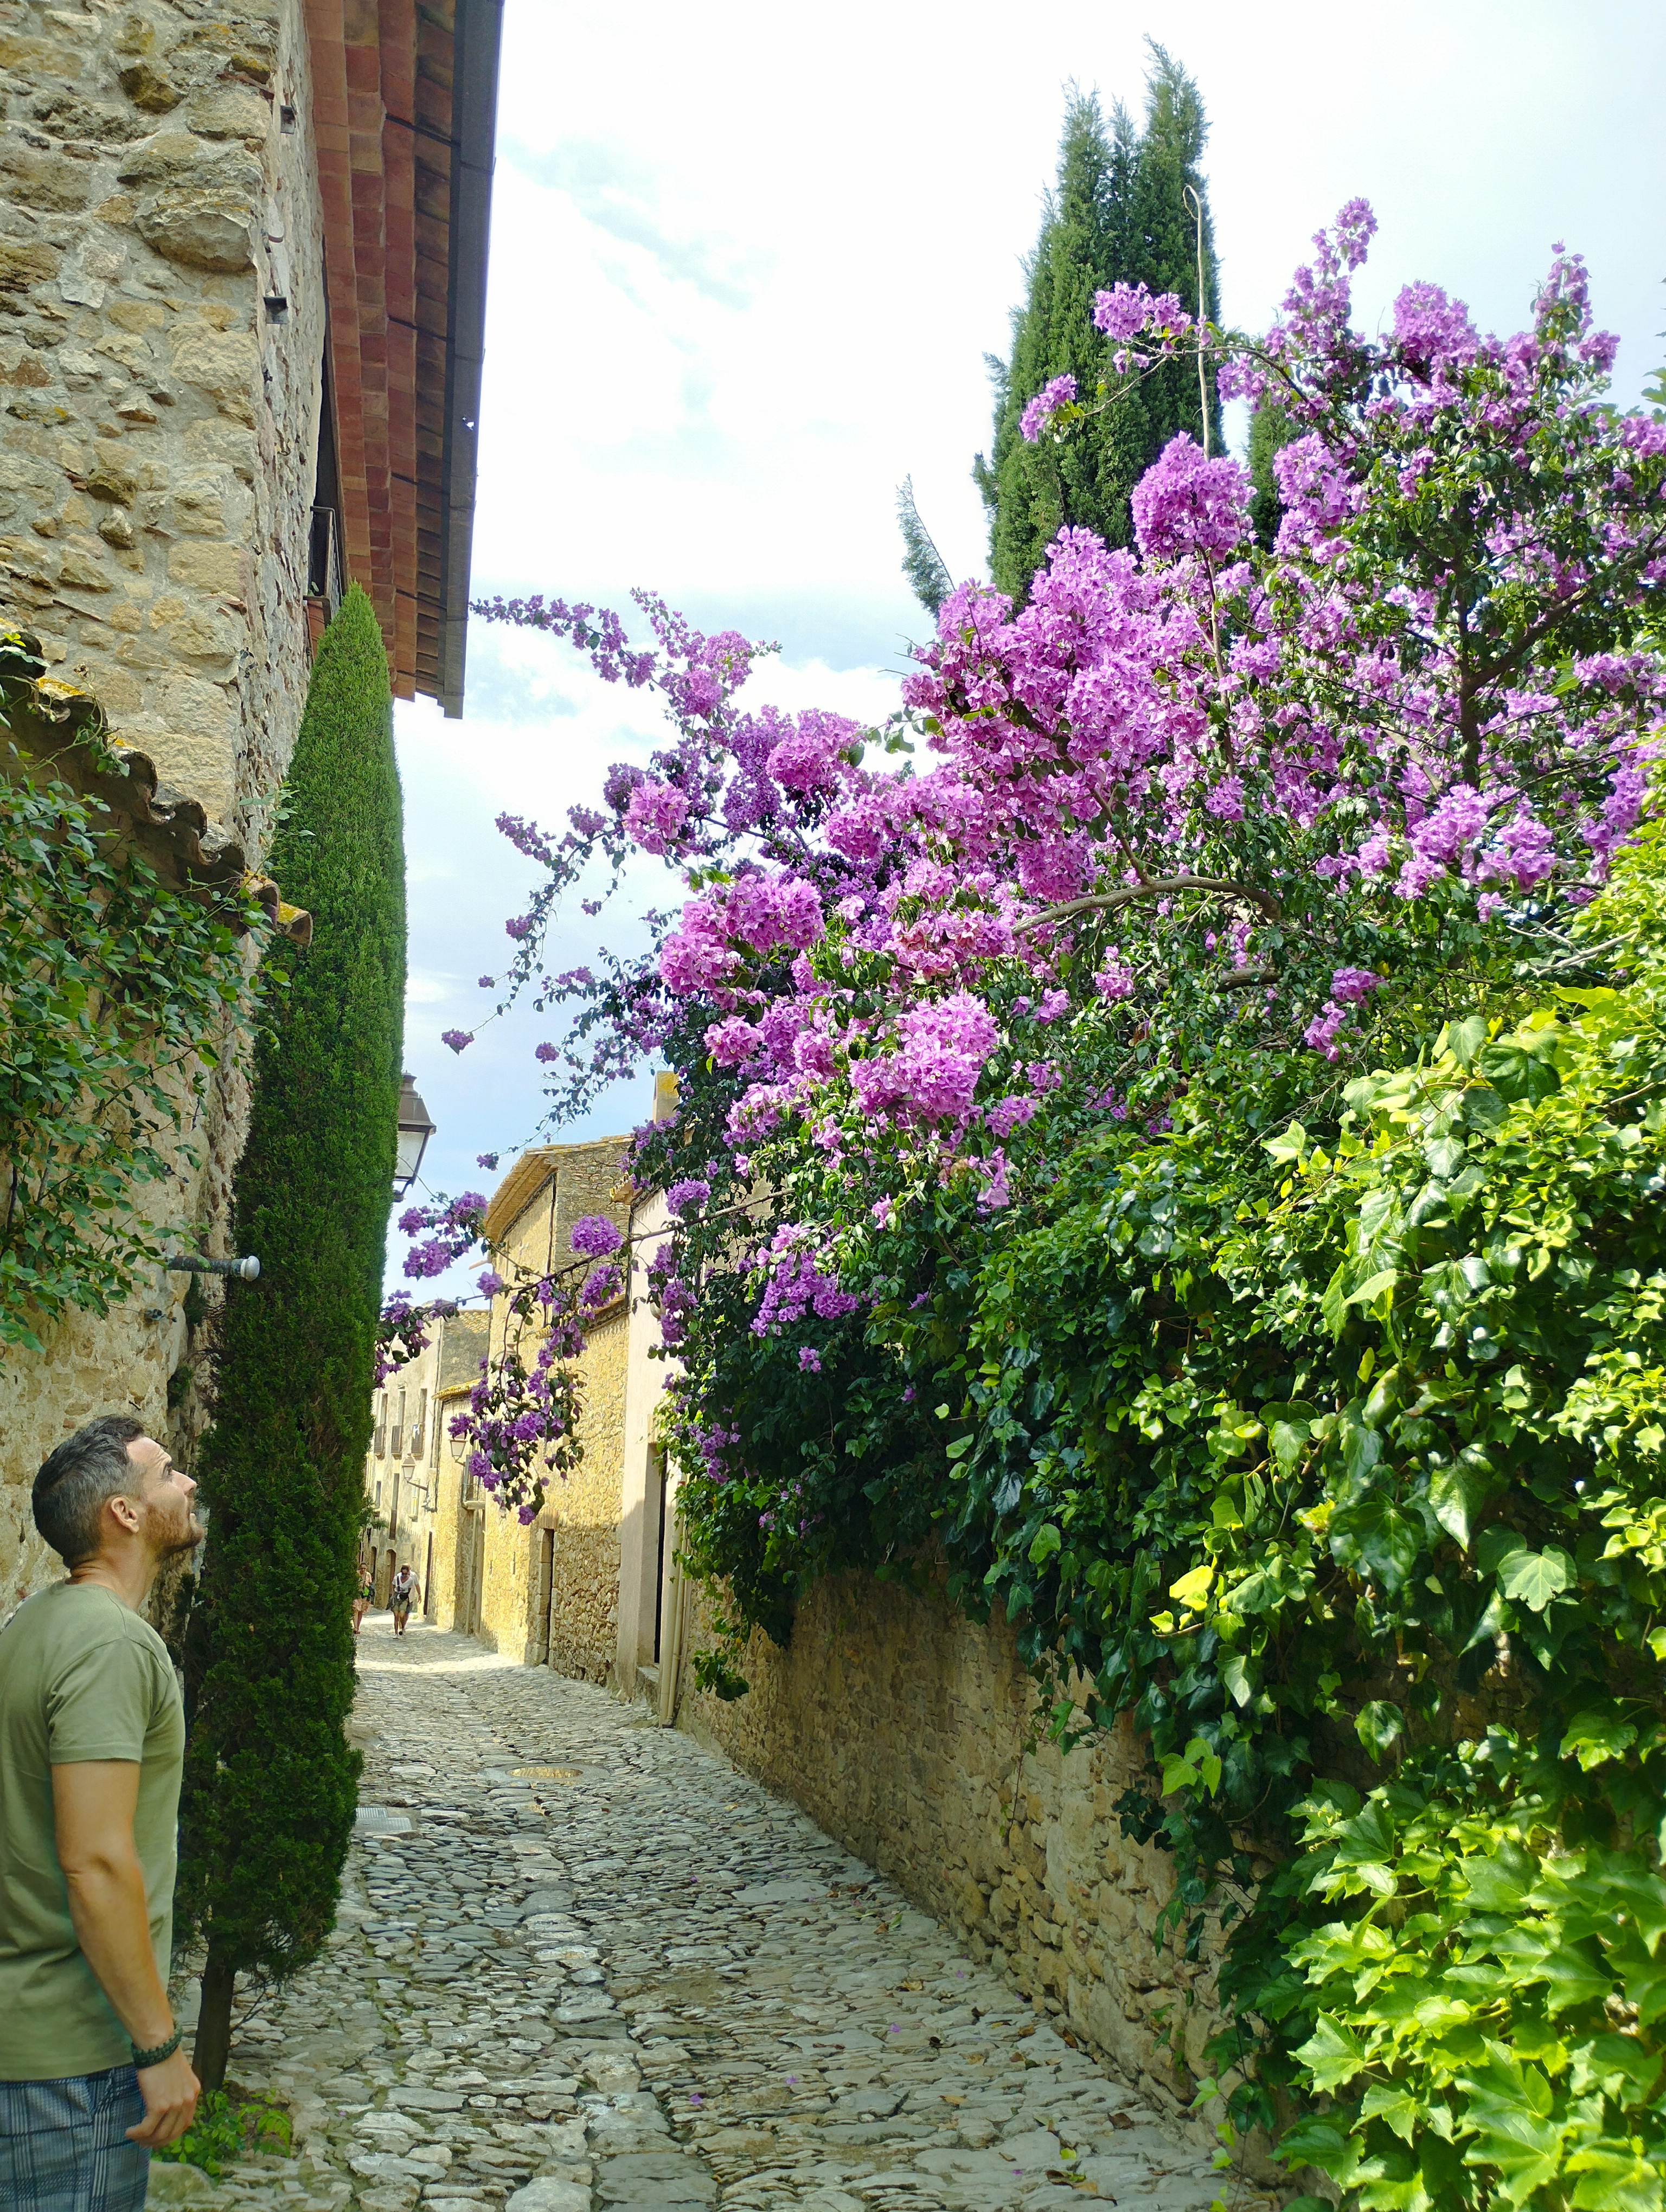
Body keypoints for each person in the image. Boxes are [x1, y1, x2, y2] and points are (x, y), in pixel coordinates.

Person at [0, 1414, 203, 2209]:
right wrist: (157, 2044)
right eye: (165, 1476)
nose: (186, 1483)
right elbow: (96, 1861)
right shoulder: (109, 1644)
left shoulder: (35, 1624)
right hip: (69, 2073)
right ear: (124, 1513)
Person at [389, 1561, 416, 1636]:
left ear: (408, 1573)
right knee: (396, 1616)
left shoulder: (410, 1580)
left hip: (404, 1599)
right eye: (403, 1574)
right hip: (397, 1599)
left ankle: (402, 1627)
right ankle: (396, 1633)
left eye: (406, 1574)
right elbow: (394, 1588)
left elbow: (409, 1590)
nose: (404, 1575)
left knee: (402, 1614)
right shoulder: (396, 1578)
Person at [351, 1567, 373, 1636]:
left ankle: (358, 1627)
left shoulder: (368, 1575)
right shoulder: (356, 1574)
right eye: (362, 1568)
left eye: (365, 1568)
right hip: (357, 1594)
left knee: (361, 1612)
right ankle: (355, 1627)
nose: (363, 1570)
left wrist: (367, 1584)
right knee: (356, 1610)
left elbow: (371, 1585)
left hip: (364, 1596)